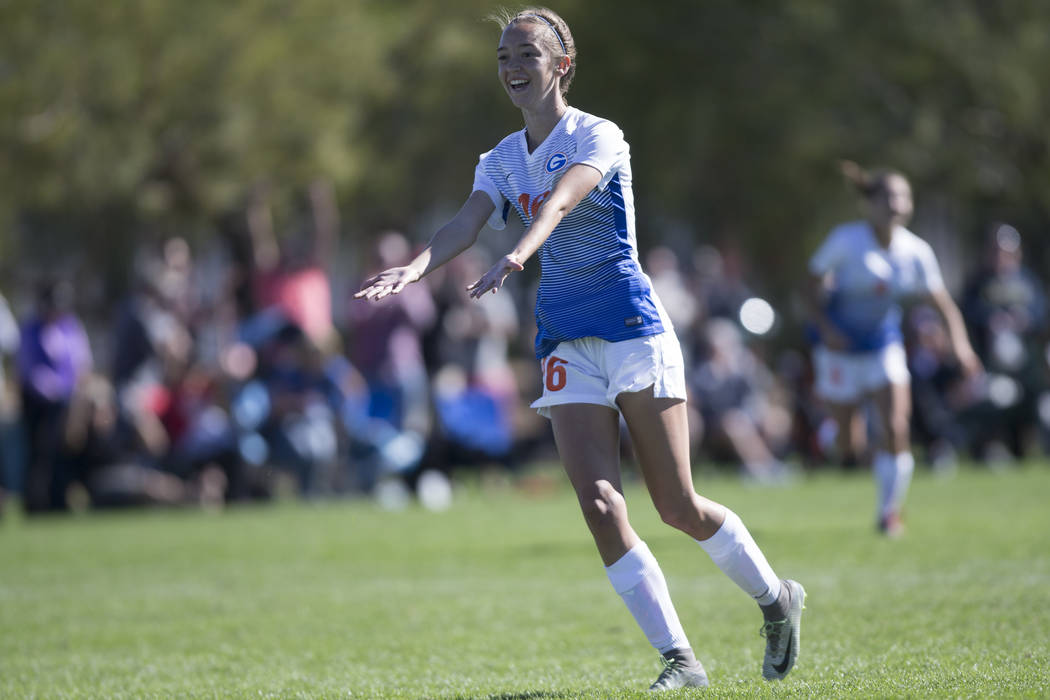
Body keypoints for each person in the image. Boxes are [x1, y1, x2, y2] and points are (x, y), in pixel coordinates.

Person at [355, 7, 804, 690]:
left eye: (526, 55)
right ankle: (680, 659)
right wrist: (417, 268)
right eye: (503, 56)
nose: (511, 67)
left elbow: (562, 201)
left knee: (677, 506)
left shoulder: (598, 134)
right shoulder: (500, 158)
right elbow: (465, 221)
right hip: (564, 336)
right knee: (598, 504)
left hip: (630, 329)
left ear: (561, 65)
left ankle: (776, 601)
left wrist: (519, 253)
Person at [807, 162, 982, 536]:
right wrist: (826, 328)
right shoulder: (846, 240)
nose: (896, 204)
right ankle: (831, 435)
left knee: (895, 427)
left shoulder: (916, 251)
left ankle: (889, 513)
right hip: (839, 350)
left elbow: (943, 305)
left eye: (903, 196)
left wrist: (962, 347)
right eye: (888, 196)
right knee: (848, 445)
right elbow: (809, 288)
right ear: (869, 204)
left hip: (883, 345)